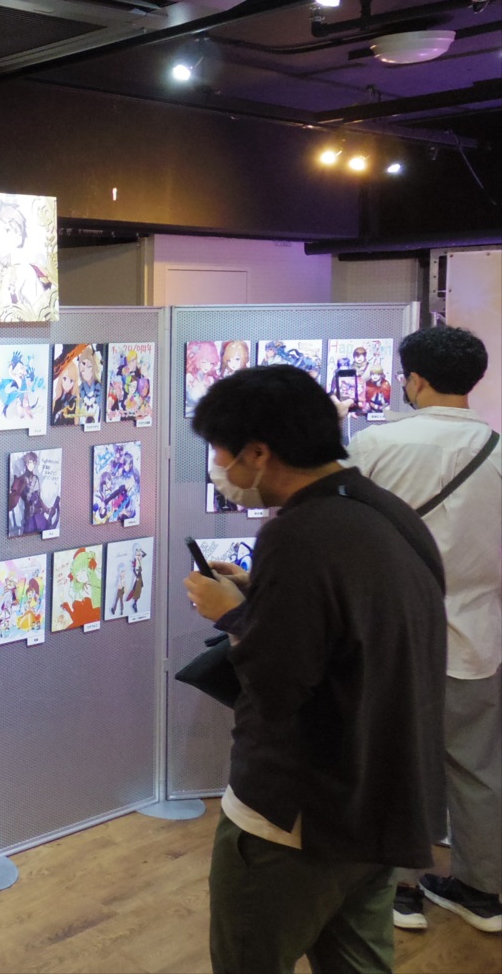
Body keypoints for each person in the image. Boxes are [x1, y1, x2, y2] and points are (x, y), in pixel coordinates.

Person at [183, 364, 447, 974]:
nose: (219, 467)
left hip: (295, 813)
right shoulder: (384, 509)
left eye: (220, 451)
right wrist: (263, 596)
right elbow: (350, 630)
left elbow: (278, 681)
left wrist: (232, 614)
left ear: (258, 452)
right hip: (377, 796)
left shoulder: (297, 534)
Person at [344, 325, 502, 933]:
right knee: (479, 770)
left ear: (414, 380)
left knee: (394, 762)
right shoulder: (497, 451)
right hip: (476, 634)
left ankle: (399, 891)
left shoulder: (376, 445)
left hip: (392, 634)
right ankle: (482, 893)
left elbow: (344, 531)